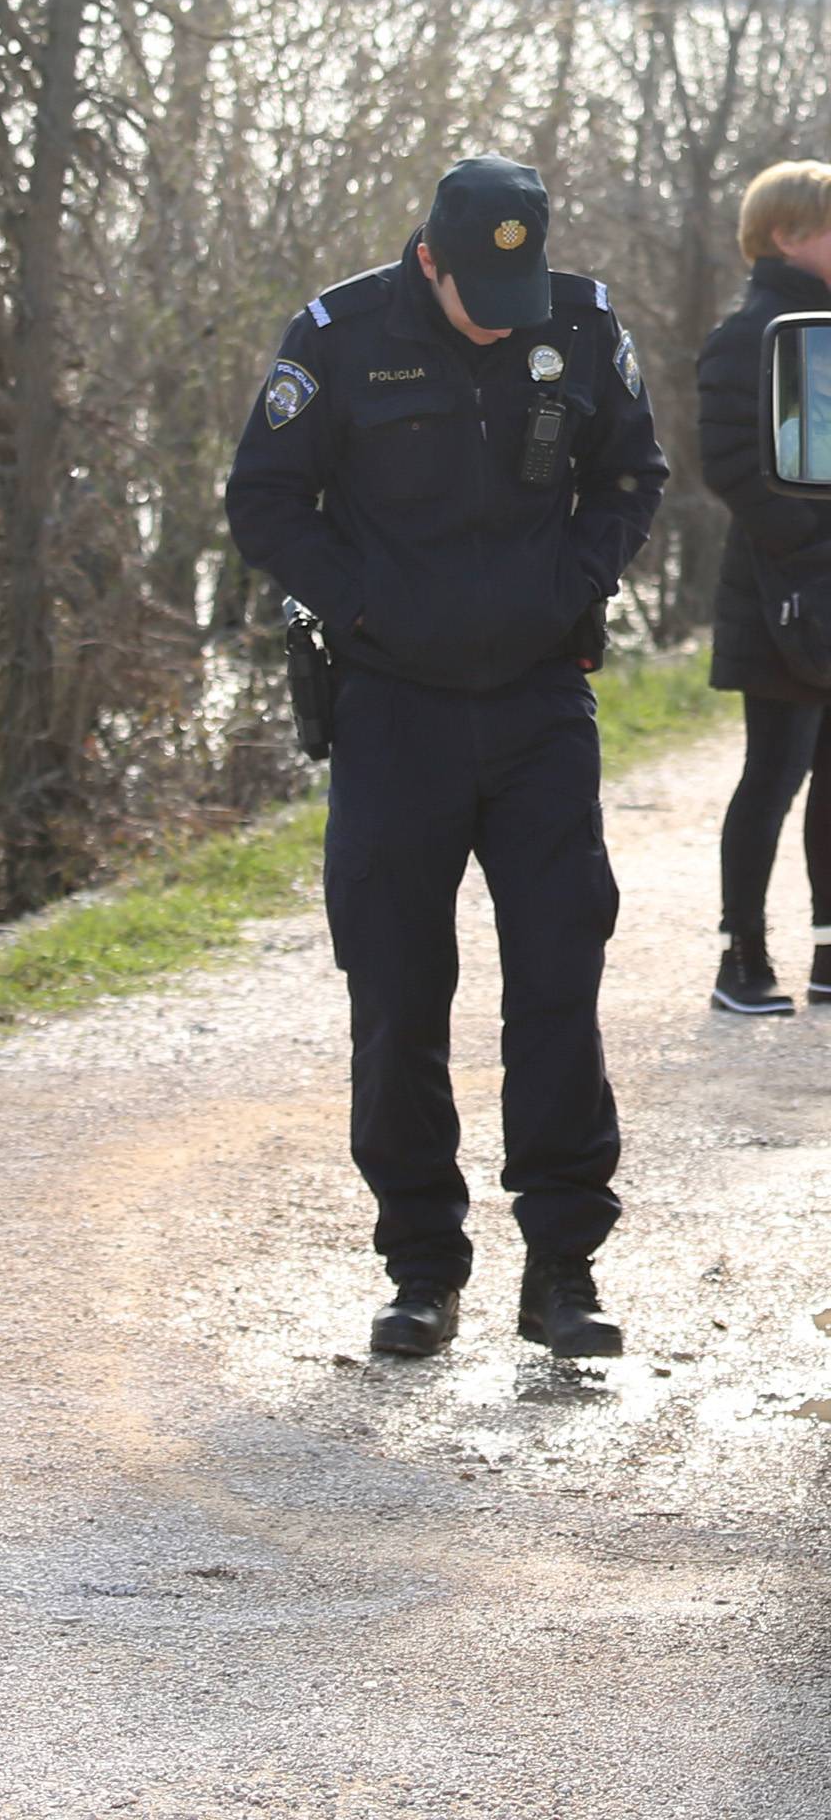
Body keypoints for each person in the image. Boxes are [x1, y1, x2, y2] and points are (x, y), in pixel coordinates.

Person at [227, 157, 666, 1360]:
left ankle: (563, 1271)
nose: (500, 314)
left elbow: (633, 475)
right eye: (478, 291)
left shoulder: (577, 327)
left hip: (537, 710)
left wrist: (570, 582)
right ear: (430, 259)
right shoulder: (339, 334)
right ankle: (423, 1268)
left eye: (514, 293)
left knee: (559, 985)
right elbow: (265, 501)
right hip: (395, 714)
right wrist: (363, 608)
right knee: (399, 995)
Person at [697, 161, 831, 1018]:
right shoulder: (749, 332)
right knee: (772, 773)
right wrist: (814, 548)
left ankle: (830, 950)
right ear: (786, 234)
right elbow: (732, 465)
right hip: (777, 596)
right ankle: (740, 954)